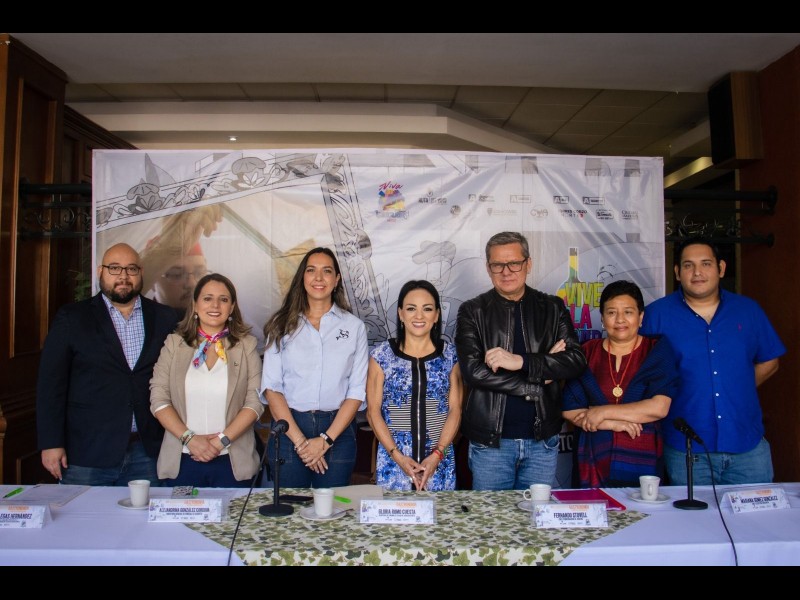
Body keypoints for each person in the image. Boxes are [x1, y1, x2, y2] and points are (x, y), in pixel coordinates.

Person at [640, 237, 786, 485]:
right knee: (693, 512)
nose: (697, 272)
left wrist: (737, 388)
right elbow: (639, 370)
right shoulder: (657, 315)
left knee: (755, 511)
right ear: (677, 272)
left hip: (747, 446)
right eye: (688, 265)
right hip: (686, 449)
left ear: (721, 268)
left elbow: (769, 361)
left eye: (706, 263)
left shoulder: (748, 311)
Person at [37, 243, 179, 485]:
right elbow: (51, 385)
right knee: (83, 511)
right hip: (87, 452)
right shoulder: (73, 318)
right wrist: (51, 443)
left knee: (147, 511)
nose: (123, 276)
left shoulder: (165, 317)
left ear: (141, 272)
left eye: (131, 269)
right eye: (114, 268)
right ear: (100, 271)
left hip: (147, 451)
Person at [455, 231, 587, 491]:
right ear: (488, 268)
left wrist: (520, 362)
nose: (506, 272)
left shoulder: (552, 307)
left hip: (542, 441)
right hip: (491, 442)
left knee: (536, 513)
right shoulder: (472, 311)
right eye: (498, 265)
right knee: (491, 514)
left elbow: (575, 360)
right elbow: (473, 372)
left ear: (528, 264)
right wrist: (535, 382)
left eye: (514, 263)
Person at [260, 247, 368, 488]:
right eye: (311, 270)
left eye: (326, 271)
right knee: (290, 506)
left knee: (333, 506)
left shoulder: (354, 327)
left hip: (338, 431)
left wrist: (326, 440)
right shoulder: (280, 325)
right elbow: (272, 388)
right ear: (303, 277)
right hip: (289, 429)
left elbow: (356, 390)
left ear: (336, 279)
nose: (319, 278)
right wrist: (301, 443)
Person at [562, 280, 680, 487]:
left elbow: (659, 407)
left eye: (628, 312)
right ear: (602, 318)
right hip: (592, 459)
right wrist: (613, 424)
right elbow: (570, 410)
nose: (620, 320)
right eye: (611, 312)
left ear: (640, 317)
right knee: (593, 507)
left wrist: (602, 412)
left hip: (642, 458)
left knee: (642, 507)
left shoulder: (656, 350)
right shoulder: (585, 352)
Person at [150, 273, 264, 487]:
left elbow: (255, 402)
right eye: (207, 298)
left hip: (233, 462)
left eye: (223, 299)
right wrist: (190, 439)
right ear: (195, 305)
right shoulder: (174, 344)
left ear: (231, 308)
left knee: (234, 511)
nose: (215, 305)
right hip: (182, 461)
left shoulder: (246, 346)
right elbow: (159, 399)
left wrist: (221, 441)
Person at [366, 280, 463, 491]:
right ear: (400, 314)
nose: (419, 316)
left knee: (439, 512)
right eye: (411, 309)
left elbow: (455, 410)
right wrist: (398, 457)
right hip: (394, 465)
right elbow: (373, 412)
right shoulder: (382, 356)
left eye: (427, 309)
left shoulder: (450, 356)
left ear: (436, 315)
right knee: (395, 512)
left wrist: (437, 454)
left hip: (438, 463)